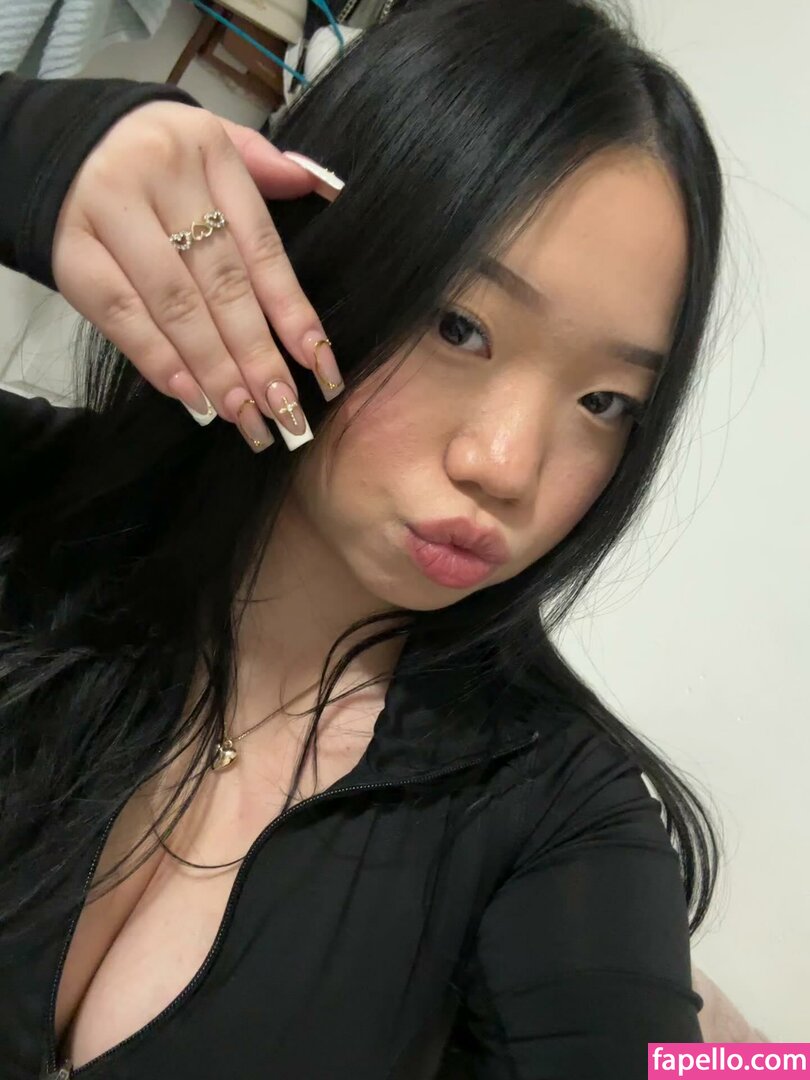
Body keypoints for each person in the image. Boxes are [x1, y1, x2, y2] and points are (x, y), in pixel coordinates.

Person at [0, 0, 766, 1076]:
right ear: (330, 258)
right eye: (462, 327)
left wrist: (762, 1060)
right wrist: (34, 152)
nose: (506, 467)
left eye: (603, 403)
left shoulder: (553, 813)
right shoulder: (36, 506)